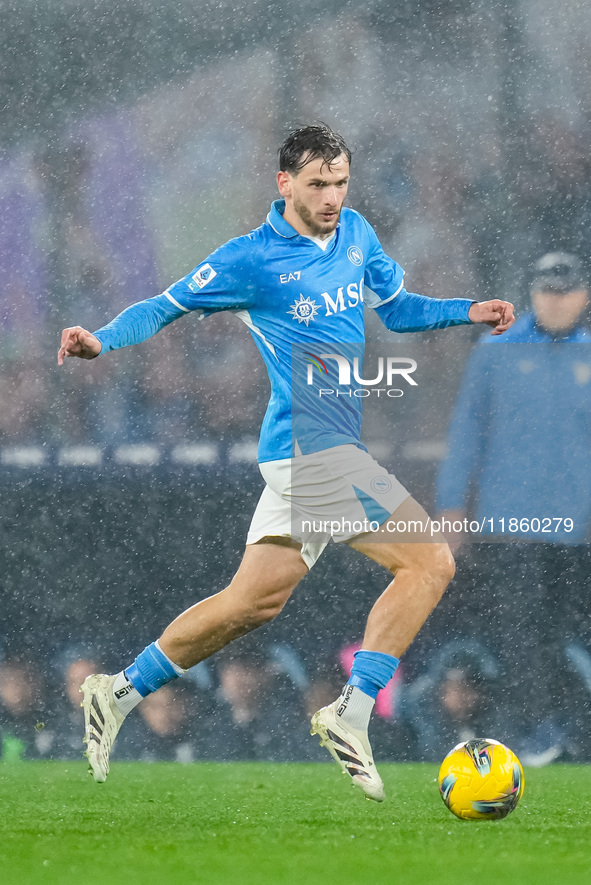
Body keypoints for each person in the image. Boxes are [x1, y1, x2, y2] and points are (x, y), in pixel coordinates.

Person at [58, 124, 514, 801]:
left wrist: (464, 311)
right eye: (316, 184)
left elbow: (397, 306)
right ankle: (351, 711)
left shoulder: (355, 233)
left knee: (250, 603)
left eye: (338, 183)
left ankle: (118, 691)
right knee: (430, 560)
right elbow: (166, 304)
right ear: (284, 184)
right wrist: (102, 338)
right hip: (309, 452)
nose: (331, 197)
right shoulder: (250, 259)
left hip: (321, 453)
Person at [435, 251, 591, 757]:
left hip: (575, 525)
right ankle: (530, 730)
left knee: (560, 632)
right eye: (548, 291)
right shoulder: (495, 350)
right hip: (512, 522)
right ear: (532, 293)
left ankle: (554, 729)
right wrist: (452, 508)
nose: (557, 301)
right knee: (520, 630)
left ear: (584, 295)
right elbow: (465, 434)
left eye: (566, 291)